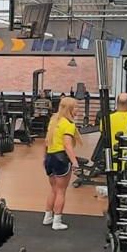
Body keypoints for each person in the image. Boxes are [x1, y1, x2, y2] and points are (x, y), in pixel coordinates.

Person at [43, 96, 81, 231]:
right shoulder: (68, 124)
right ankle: (57, 221)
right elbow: (67, 145)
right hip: (61, 158)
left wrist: (45, 158)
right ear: (69, 109)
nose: (78, 109)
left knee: (53, 189)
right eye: (76, 107)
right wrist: (75, 162)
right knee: (61, 191)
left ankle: (48, 217)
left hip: (49, 158)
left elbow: (47, 142)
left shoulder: (54, 120)